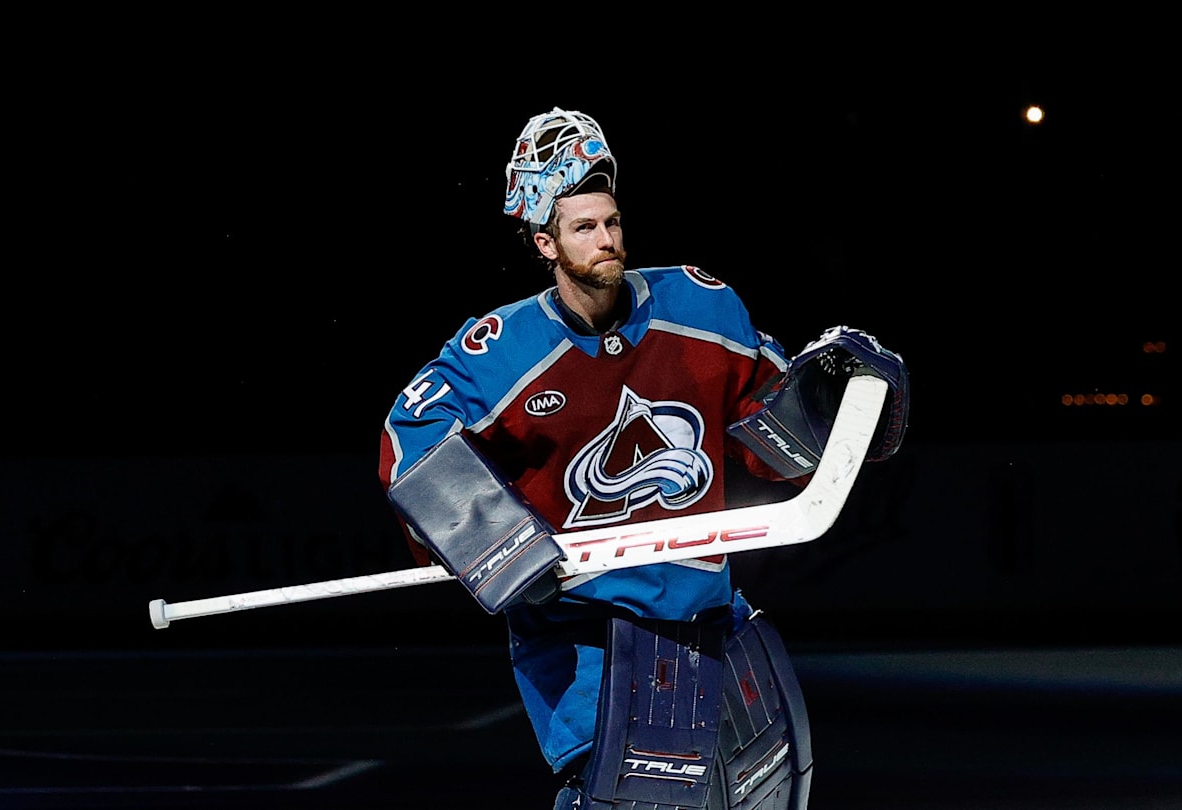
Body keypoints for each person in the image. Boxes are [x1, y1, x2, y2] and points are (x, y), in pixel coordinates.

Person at [377, 107, 909, 809]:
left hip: (705, 619)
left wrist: (836, 406)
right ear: (546, 243)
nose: (606, 240)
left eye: (613, 223)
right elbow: (407, 437)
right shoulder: (498, 348)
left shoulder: (701, 305)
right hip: (583, 634)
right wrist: (499, 547)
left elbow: (773, 447)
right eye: (584, 228)